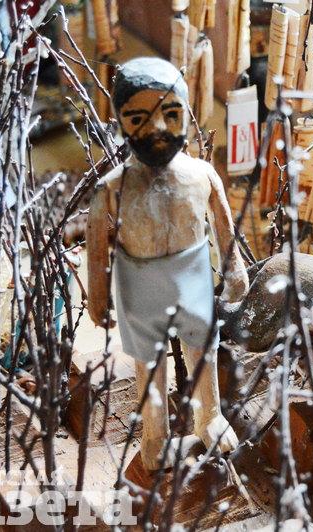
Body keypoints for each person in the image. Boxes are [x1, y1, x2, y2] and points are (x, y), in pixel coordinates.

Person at [86, 57, 248, 470]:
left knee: (203, 348)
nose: (157, 128)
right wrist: (98, 295)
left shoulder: (202, 175)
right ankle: (154, 435)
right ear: (120, 120)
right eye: (138, 118)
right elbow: (97, 246)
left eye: (171, 114)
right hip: (139, 286)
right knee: (150, 363)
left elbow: (224, 229)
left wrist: (235, 269)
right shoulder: (111, 189)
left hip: (193, 280)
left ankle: (210, 417)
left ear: (187, 114)